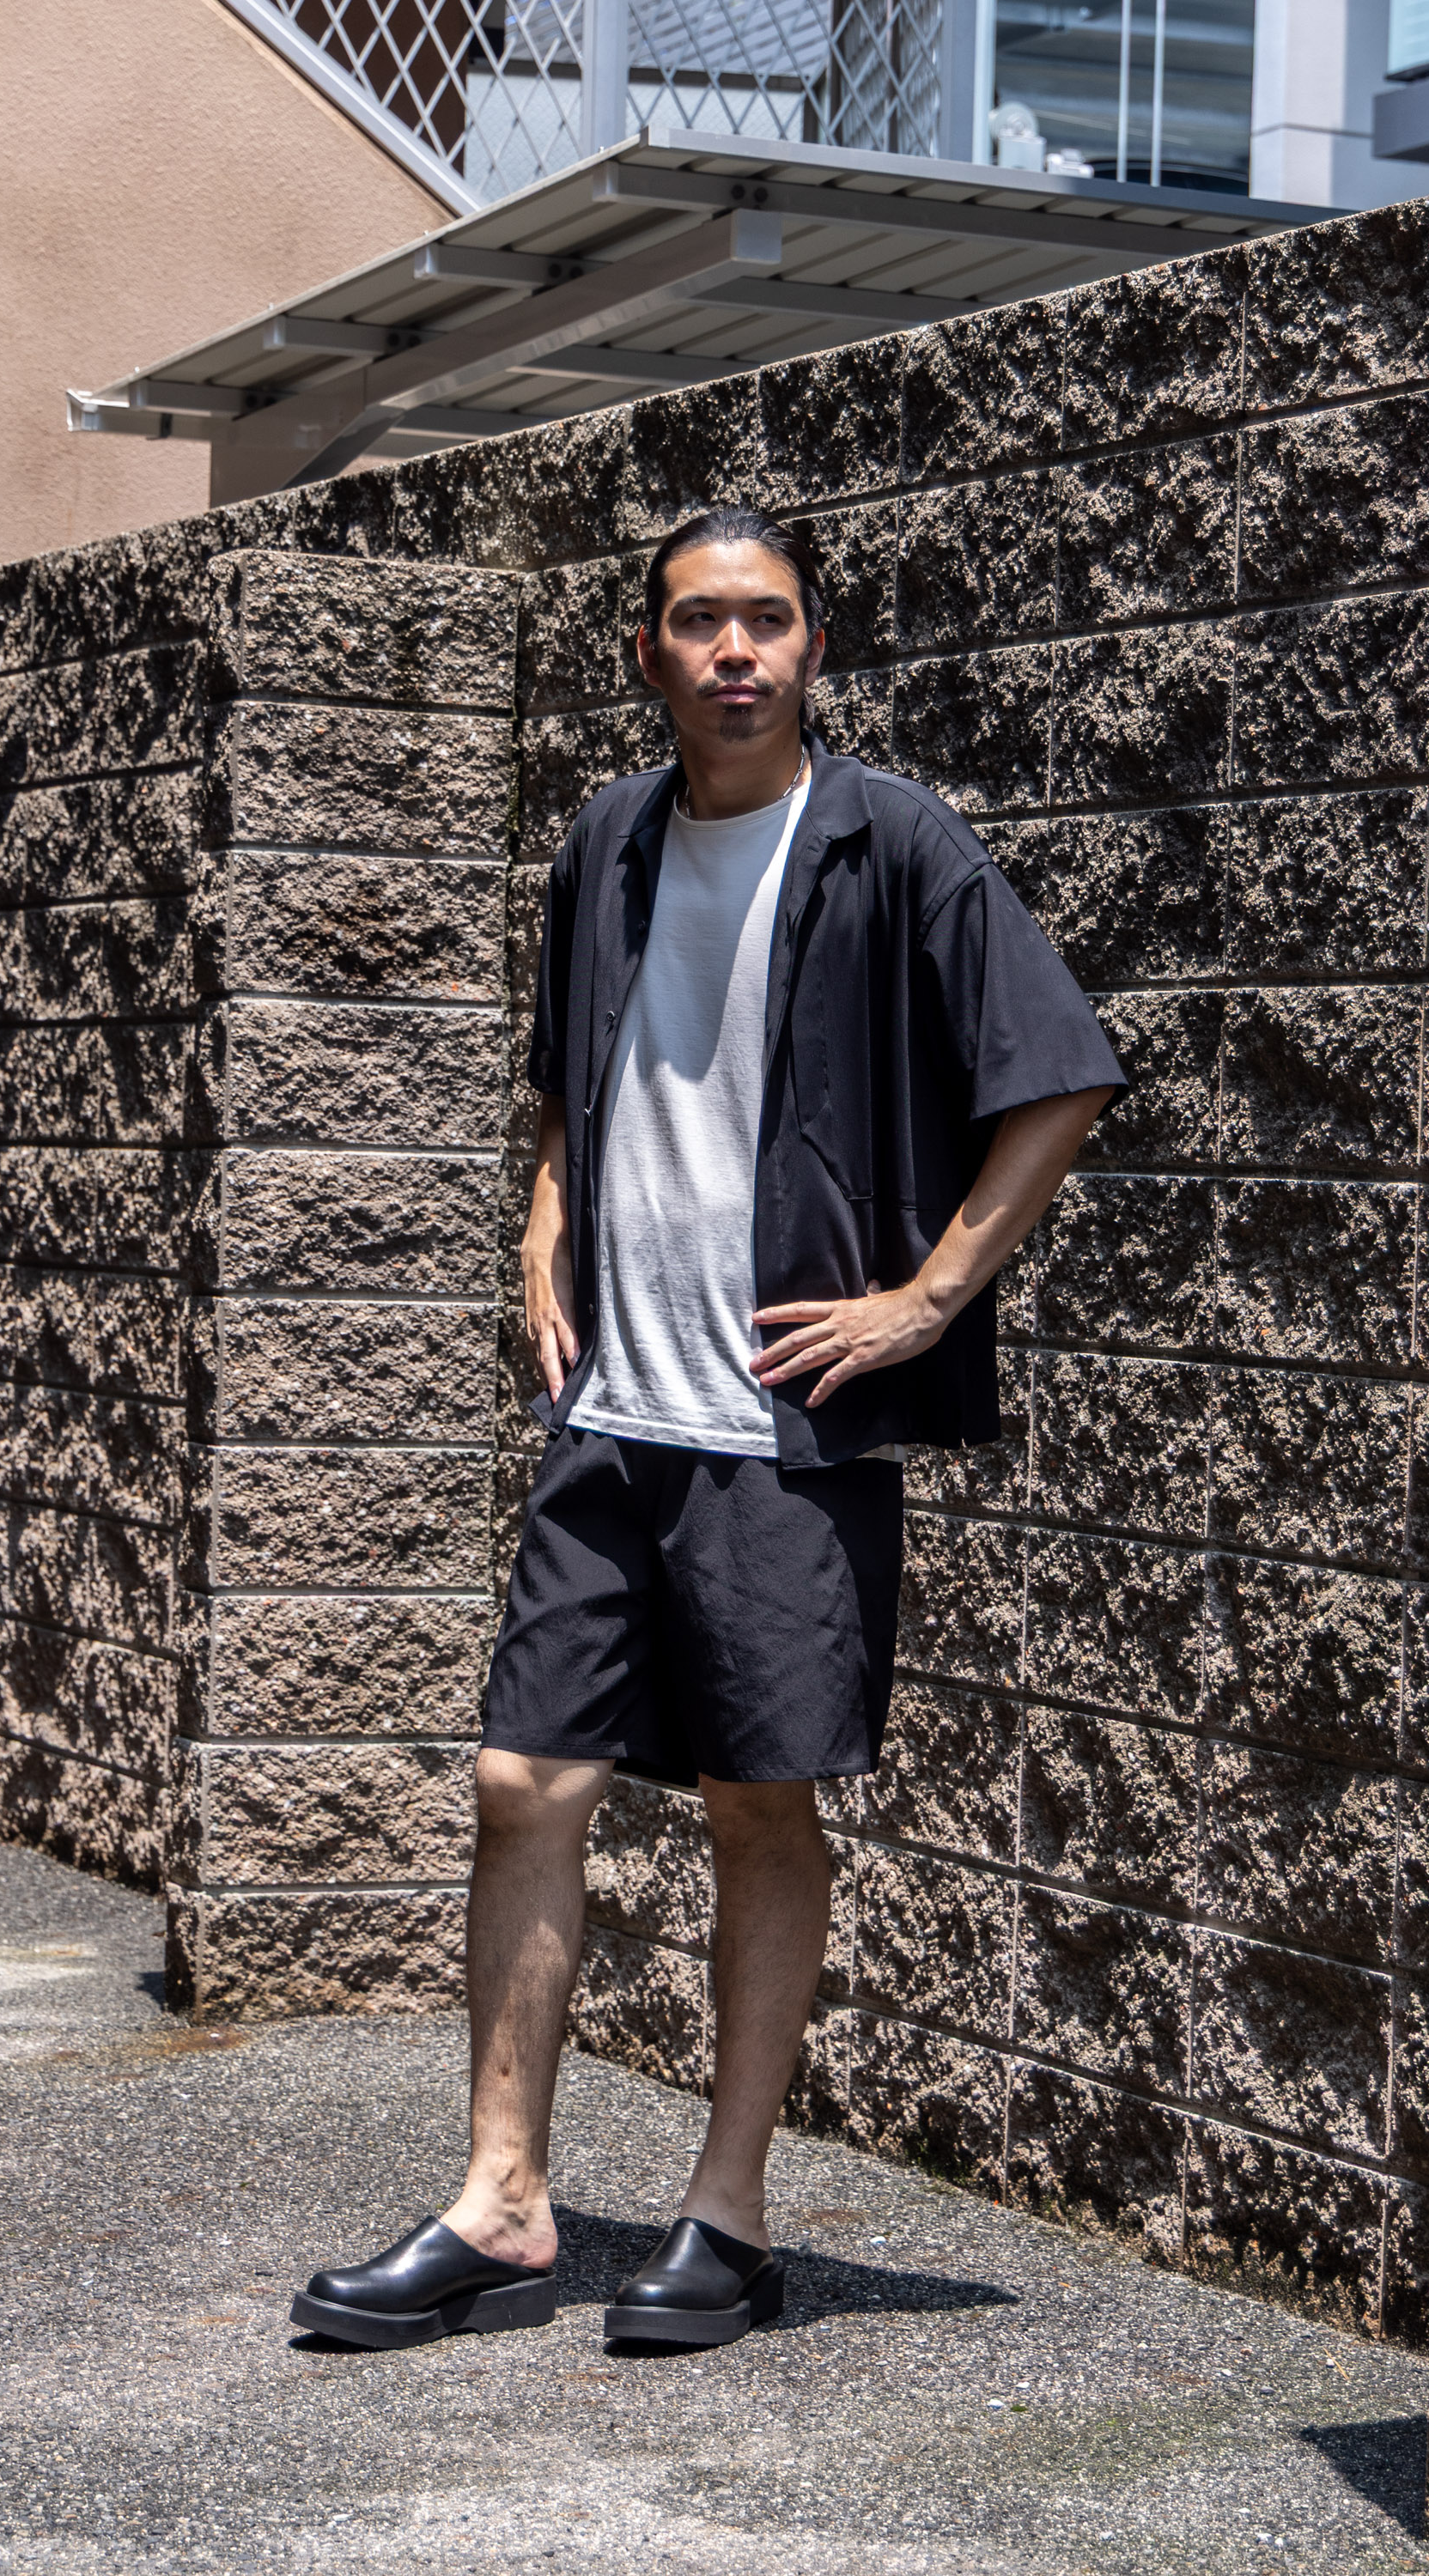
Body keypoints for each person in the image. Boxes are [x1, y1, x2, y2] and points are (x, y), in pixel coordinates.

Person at [292, 505, 1123, 2355]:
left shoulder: (892, 842)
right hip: (609, 1413)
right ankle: (504, 2201)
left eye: (767, 620)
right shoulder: (604, 838)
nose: (734, 650)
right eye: (698, 622)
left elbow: (1059, 1076)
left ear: (813, 646)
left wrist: (926, 1300)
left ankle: (727, 2216)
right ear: (649, 652)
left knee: (760, 1803)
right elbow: (571, 1071)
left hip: (779, 1426)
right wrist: (542, 1214)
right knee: (522, 1781)